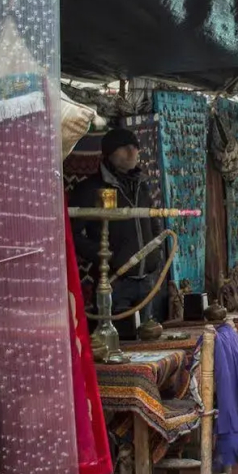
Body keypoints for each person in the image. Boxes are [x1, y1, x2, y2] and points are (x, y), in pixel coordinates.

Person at [69, 127, 160, 336]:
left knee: (149, 342)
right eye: (124, 147)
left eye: (135, 147)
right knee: (119, 342)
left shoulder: (141, 185)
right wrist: (105, 256)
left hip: (147, 280)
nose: (132, 152)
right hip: (116, 282)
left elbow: (153, 220)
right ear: (109, 154)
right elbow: (73, 235)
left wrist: (156, 252)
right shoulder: (91, 189)